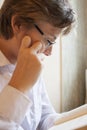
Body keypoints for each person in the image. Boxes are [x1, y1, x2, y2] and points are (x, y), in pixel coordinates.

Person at [0, 0, 75, 130]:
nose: (49, 52)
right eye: (48, 41)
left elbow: (44, 117)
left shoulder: (30, 61)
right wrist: (19, 87)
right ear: (18, 24)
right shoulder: (29, 62)